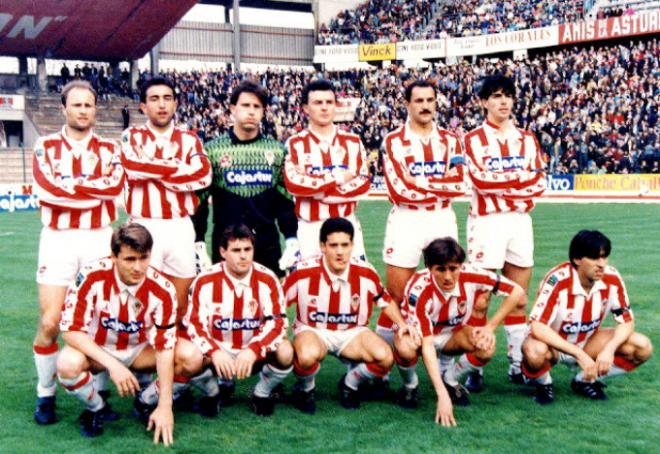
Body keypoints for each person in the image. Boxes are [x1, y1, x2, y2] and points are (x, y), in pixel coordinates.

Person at [31, 80, 125, 425]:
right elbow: (48, 191)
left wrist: (71, 186)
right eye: (77, 105)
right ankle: (45, 393)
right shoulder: (45, 146)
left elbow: (114, 187)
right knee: (51, 321)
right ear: (64, 108)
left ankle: (98, 395)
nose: (83, 110)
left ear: (95, 109)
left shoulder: (110, 149)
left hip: (99, 238)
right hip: (58, 239)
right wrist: (92, 189)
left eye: (89, 105)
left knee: (100, 320)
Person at [56, 224, 201, 444]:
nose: (138, 267)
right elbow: (71, 331)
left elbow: (164, 347)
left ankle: (145, 400)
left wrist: (165, 406)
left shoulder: (162, 289)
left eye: (143, 258)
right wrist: (114, 366)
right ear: (113, 256)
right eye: (130, 259)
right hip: (100, 350)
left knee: (192, 357)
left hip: (139, 350)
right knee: (67, 363)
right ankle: (97, 408)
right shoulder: (91, 276)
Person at [375, 79, 466, 392]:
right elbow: (398, 188)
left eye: (430, 100)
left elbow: (460, 183)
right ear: (408, 104)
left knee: (449, 292)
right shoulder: (393, 141)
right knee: (397, 297)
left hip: (442, 218)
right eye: (419, 100)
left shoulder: (451, 141)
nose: (426, 106)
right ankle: (383, 367)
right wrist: (438, 182)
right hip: (406, 220)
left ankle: (445, 369)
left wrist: (421, 183)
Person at [463, 74, 546, 388]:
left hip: (519, 222)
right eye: (496, 96)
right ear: (484, 102)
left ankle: (516, 363)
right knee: (480, 299)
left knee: (519, 298)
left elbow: (538, 182)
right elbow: (480, 182)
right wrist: (517, 180)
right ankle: (475, 364)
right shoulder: (472, 140)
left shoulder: (527, 139)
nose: (503, 102)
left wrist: (504, 182)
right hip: (487, 223)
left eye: (507, 96)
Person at [284, 217, 416, 414]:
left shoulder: (365, 272)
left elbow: (384, 300)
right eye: (334, 245)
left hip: (352, 332)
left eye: (345, 245)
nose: (340, 251)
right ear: (322, 246)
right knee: (305, 356)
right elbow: (277, 303)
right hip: (314, 330)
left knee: (385, 358)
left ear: (353, 245)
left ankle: (350, 384)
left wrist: (401, 324)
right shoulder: (302, 272)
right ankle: (306, 390)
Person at [392, 238, 524, 424]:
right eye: (440, 269)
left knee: (486, 347)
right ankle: (410, 386)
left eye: (453, 269)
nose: (448, 276)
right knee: (405, 346)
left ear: (461, 266)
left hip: (452, 333)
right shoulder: (419, 290)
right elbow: (428, 344)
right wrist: (441, 396)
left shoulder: (473, 274)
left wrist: (490, 327)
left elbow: (516, 291)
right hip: (420, 337)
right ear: (429, 268)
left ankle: (451, 379)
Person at [522, 230, 652, 404]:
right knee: (534, 352)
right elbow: (538, 326)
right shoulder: (558, 280)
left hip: (588, 341)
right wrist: (578, 354)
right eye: (594, 258)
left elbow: (626, 321)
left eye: (604, 257)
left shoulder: (612, 277)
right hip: (554, 344)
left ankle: (584, 380)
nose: (601, 264)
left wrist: (609, 349)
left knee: (642, 347)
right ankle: (544, 384)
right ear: (577, 259)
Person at [121, 77, 212, 322]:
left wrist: (153, 171)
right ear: (143, 107)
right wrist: (178, 168)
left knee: (180, 305)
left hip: (180, 226)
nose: (161, 104)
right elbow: (132, 166)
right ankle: (142, 358)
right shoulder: (132, 136)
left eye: (167, 98)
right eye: (154, 99)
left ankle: (175, 359)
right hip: (144, 225)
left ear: (176, 104)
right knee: (140, 304)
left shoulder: (190, 138)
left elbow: (203, 175)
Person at [182, 224, 293, 417]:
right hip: (217, 350)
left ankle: (261, 393)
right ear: (223, 252)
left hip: (252, 349)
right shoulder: (205, 281)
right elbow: (195, 325)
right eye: (236, 250)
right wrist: (215, 352)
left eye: (247, 249)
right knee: (189, 358)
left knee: (285, 352)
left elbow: (278, 323)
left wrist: (253, 350)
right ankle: (212, 392)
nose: (243, 256)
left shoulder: (268, 279)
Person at [191, 80, 298, 277]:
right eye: (245, 105)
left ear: (264, 111)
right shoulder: (212, 150)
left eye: (257, 107)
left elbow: (284, 201)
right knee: (224, 304)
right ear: (233, 108)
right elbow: (200, 200)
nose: (251, 112)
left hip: (266, 244)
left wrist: (291, 237)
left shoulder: (277, 151)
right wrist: (198, 241)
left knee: (268, 305)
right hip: (225, 244)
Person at [283, 79, 371, 261]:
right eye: (318, 103)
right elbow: (294, 186)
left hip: (347, 225)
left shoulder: (353, 142)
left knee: (354, 286)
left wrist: (315, 188)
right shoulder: (294, 144)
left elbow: (362, 184)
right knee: (311, 287)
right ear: (306, 108)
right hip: (310, 229)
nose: (324, 108)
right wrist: (339, 177)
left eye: (329, 102)